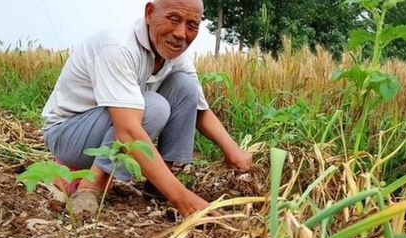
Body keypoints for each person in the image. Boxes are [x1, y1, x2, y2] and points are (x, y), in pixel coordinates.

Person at [41, 0, 252, 218]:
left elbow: (200, 109)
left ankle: (158, 184)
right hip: (68, 134)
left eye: (192, 25)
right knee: (154, 106)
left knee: (185, 87)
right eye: (173, 19)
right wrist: (183, 199)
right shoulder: (118, 47)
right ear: (149, 13)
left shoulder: (174, 54)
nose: (181, 34)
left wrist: (233, 150)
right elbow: (128, 131)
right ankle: (90, 188)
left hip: (107, 129)